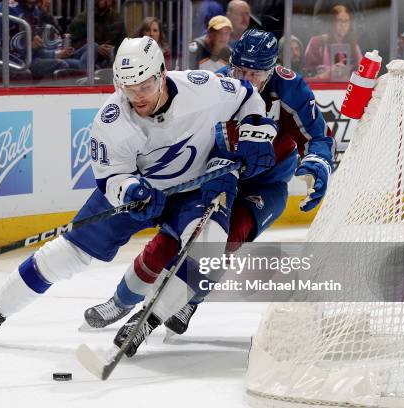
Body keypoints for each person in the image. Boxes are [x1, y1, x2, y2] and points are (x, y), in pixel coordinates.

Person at [0, 36, 278, 351]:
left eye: (145, 87)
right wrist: (130, 190)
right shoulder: (111, 121)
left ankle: (146, 323)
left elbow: (248, 94)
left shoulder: (203, 89)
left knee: (207, 250)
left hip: (196, 189)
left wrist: (254, 129)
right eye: (128, 88)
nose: (137, 97)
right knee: (68, 253)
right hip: (142, 191)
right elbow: (110, 178)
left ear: (162, 75)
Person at [84, 29, 334, 348]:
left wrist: (316, 162)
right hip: (218, 176)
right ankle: (121, 300)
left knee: (223, 244)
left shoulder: (290, 89)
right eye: (239, 70)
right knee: (170, 239)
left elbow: (319, 138)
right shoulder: (215, 86)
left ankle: (183, 303)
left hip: (266, 186)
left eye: (254, 74)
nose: (245, 79)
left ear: (271, 70)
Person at [304, 4, 362, 81]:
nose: (343, 25)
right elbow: (307, 76)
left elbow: (361, 73)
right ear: (332, 23)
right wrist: (325, 75)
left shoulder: (354, 46)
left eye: (346, 21)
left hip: (346, 89)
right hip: (321, 90)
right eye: (340, 21)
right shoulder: (317, 42)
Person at [67, 0, 126, 69]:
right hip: (86, 61)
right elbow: (71, 46)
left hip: (111, 61)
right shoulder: (82, 20)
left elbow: (123, 45)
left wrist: (113, 50)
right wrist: (96, 48)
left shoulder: (117, 19)